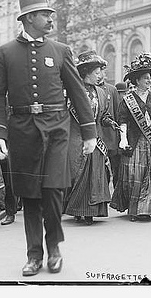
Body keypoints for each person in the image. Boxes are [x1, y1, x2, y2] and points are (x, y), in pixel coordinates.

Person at [0, 0, 97, 276]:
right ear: (29, 17)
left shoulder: (61, 51)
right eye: (45, 14)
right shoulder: (3, 53)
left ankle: (54, 247)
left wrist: (89, 132)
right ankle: (34, 255)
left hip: (57, 130)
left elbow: (77, 91)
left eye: (50, 14)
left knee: (53, 191)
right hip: (22, 133)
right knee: (31, 196)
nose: (50, 18)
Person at [110, 52, 151, 222]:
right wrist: (123, 139)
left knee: (149, 175)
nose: (149, 80)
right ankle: (134, 210)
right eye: (146, 77)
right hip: (134, 142)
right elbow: (123, 121)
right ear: (137, 80)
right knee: (133, 175)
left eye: (150, 77)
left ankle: (146, 209)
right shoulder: (127, 100)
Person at [64, 51, 112, 225]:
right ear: (86, 72)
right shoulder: (73, 92)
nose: (100, 75)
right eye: (97, 72)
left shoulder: (100, 92)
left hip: (96, 139)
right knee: (78, 173)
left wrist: (109, 121)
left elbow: (102, 115)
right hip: (77, 138)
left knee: (96, 175)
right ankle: (77, 210)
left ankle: (91, 211)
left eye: (100, 72)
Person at [98, 66, 121, 188]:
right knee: (101, 169)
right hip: (98, 135)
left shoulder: (112, 90)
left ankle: (117, 193)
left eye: (100, 71)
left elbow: (117, 114)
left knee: (116, 167)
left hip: (111, 136)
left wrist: (120, 137)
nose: (99, 74)